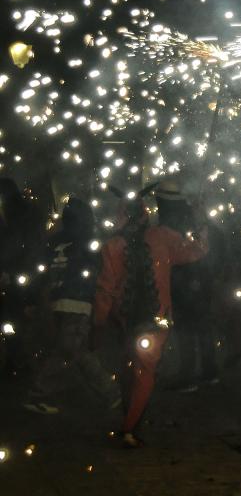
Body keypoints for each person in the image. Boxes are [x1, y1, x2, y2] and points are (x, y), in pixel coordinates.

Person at [93, 184, 208, 447]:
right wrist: (201, 220)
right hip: (157, 320)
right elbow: (197, 250)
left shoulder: (112, 246)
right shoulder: (163, 237)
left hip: (125, 322)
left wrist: (98, 324)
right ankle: (130, 428)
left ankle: (129, 425)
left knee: (128, 371)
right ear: (145, 214)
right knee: (144, 372)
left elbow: (105, 292)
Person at [24, 197, 118, 413]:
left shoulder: (56, 241)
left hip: (62, 303)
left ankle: (109, 392)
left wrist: (32, 299)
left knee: (71, 349)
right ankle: (110, 392)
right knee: (72, 350)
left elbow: (40, 271)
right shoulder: (89, 243)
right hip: (77, 303)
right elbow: (99, 274)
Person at [155, 179, 221, 392]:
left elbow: (181, 250)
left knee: (186, 329)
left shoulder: (171, 221)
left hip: (185, 280)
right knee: (202, 326)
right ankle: (209, 373)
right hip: (200, 278)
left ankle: (189, 376)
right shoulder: (193, 216)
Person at [0, 177, 45, 378]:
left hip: (18, 275)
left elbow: (28, 247)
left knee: (15, 319)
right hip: (12, 274)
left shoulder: (23, 215)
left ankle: (18, 358)